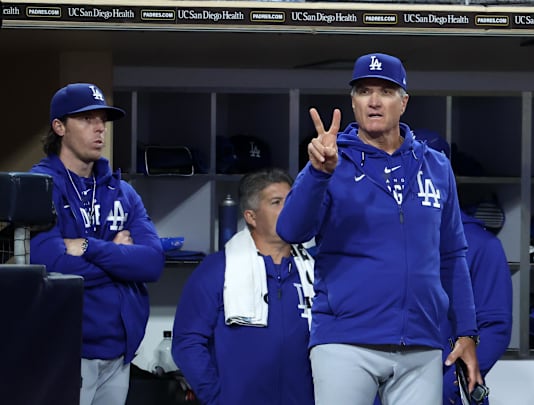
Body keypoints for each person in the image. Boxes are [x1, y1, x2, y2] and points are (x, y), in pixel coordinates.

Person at [276, 52, 482, 405]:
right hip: (345, 340)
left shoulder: (435, 166)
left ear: (403, 102)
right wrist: (317, 174)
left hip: (421, 343)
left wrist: (466, 331)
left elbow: (451, 255)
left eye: (386, 91)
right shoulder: (330, 160)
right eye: (364, 91)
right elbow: (291, 231)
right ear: (353, 102)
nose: (373, 101)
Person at [29, 82, 165, 405]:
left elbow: (152, 263)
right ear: (59, 126)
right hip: (66, 352)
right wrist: (121, 255)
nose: (100, 127)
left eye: (102, 119)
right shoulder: (42, 187)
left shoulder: (122, 192)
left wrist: (90, 247)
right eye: (87, 118)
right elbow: (53, 266)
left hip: (119, 354)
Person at [172, 168, 315, 405]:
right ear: (251, 216)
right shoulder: (218, 270)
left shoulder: (314, 271)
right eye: (276, 202)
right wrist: (217, 397)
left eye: (292, 200)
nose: (288, 208)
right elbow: (187, 342)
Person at [413, 129, 512, 405]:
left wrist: (450, 386)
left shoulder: (481, 245)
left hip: (448, 389)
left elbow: (495, 326)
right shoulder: (383, 239)